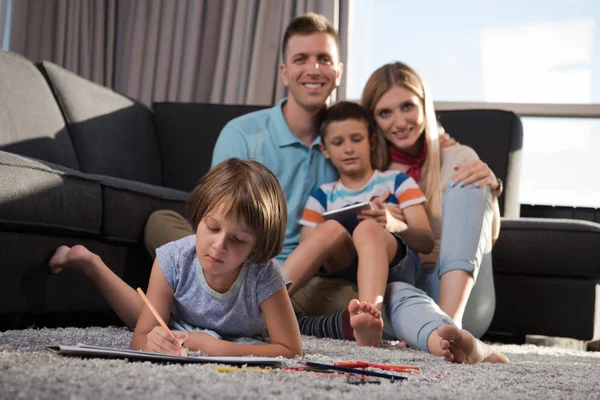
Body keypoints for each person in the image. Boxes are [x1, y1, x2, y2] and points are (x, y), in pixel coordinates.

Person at [48, 159, 303, 359]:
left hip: (189, 332)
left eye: (237, 240)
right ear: (198, 217)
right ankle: (91, 264)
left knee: (145, 313)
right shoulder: (173, 257)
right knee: (141, 317)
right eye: (213, 228)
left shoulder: (264, 274)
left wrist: (216, 348)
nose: (219, 245)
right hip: (174, 322)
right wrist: (153, 341)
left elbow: (291, 349)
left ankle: (90, 263)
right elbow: (140, 339)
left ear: (257, 248)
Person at [281, 101, 434, 346]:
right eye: (338, 143)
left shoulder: (397, 182)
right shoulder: (322, 195)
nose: (348, 149)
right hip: (342, 266)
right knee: (329, 228)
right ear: (325, 150)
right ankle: (268, 301)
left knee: (368, 228)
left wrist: (394, 223)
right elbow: (309, 249)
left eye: (356, 139)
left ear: (371, 142)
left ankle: (369, 318)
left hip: (395, 264)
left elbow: (426, 242)